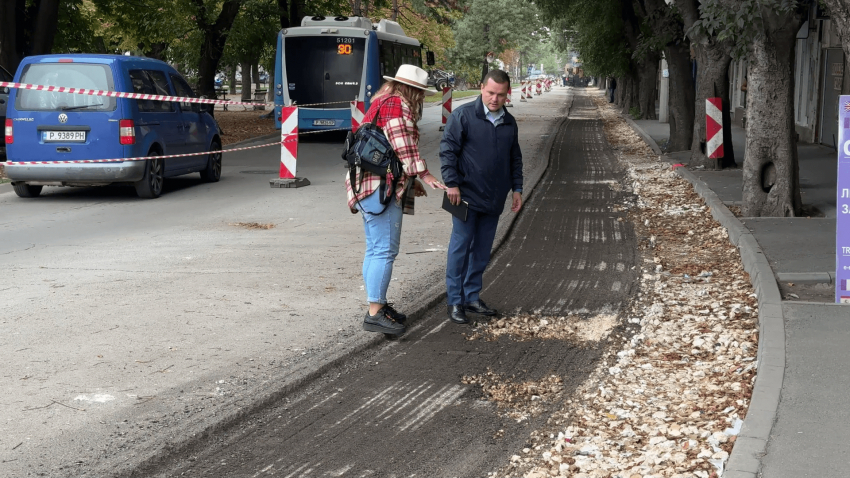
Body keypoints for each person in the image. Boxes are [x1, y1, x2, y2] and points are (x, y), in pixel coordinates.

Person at [346, 65, 446, 336]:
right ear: (412, 90)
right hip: (382, 189)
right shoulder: (396, 106)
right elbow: (403, 146)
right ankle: (375, 313)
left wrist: (412, 183)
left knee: (374, 249)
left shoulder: (379, 101)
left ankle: (377, 306)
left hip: (364, 185)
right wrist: (424, 175)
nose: (421, 98)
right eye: (420, 92)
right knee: (384, 251)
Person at [439, 69, 523, 325]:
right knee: (460, 248)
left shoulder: (509, 122)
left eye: (500, 95)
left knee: (482, 251)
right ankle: (455, 300)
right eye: (490, 93)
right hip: (463, 197)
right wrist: (451, 183)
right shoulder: (463, 116)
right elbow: (447, 152)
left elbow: (514, 158)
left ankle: (471, 296)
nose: (495, 99)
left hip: (494, 199)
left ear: (507, 94)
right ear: (481, 88)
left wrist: (517, 188)